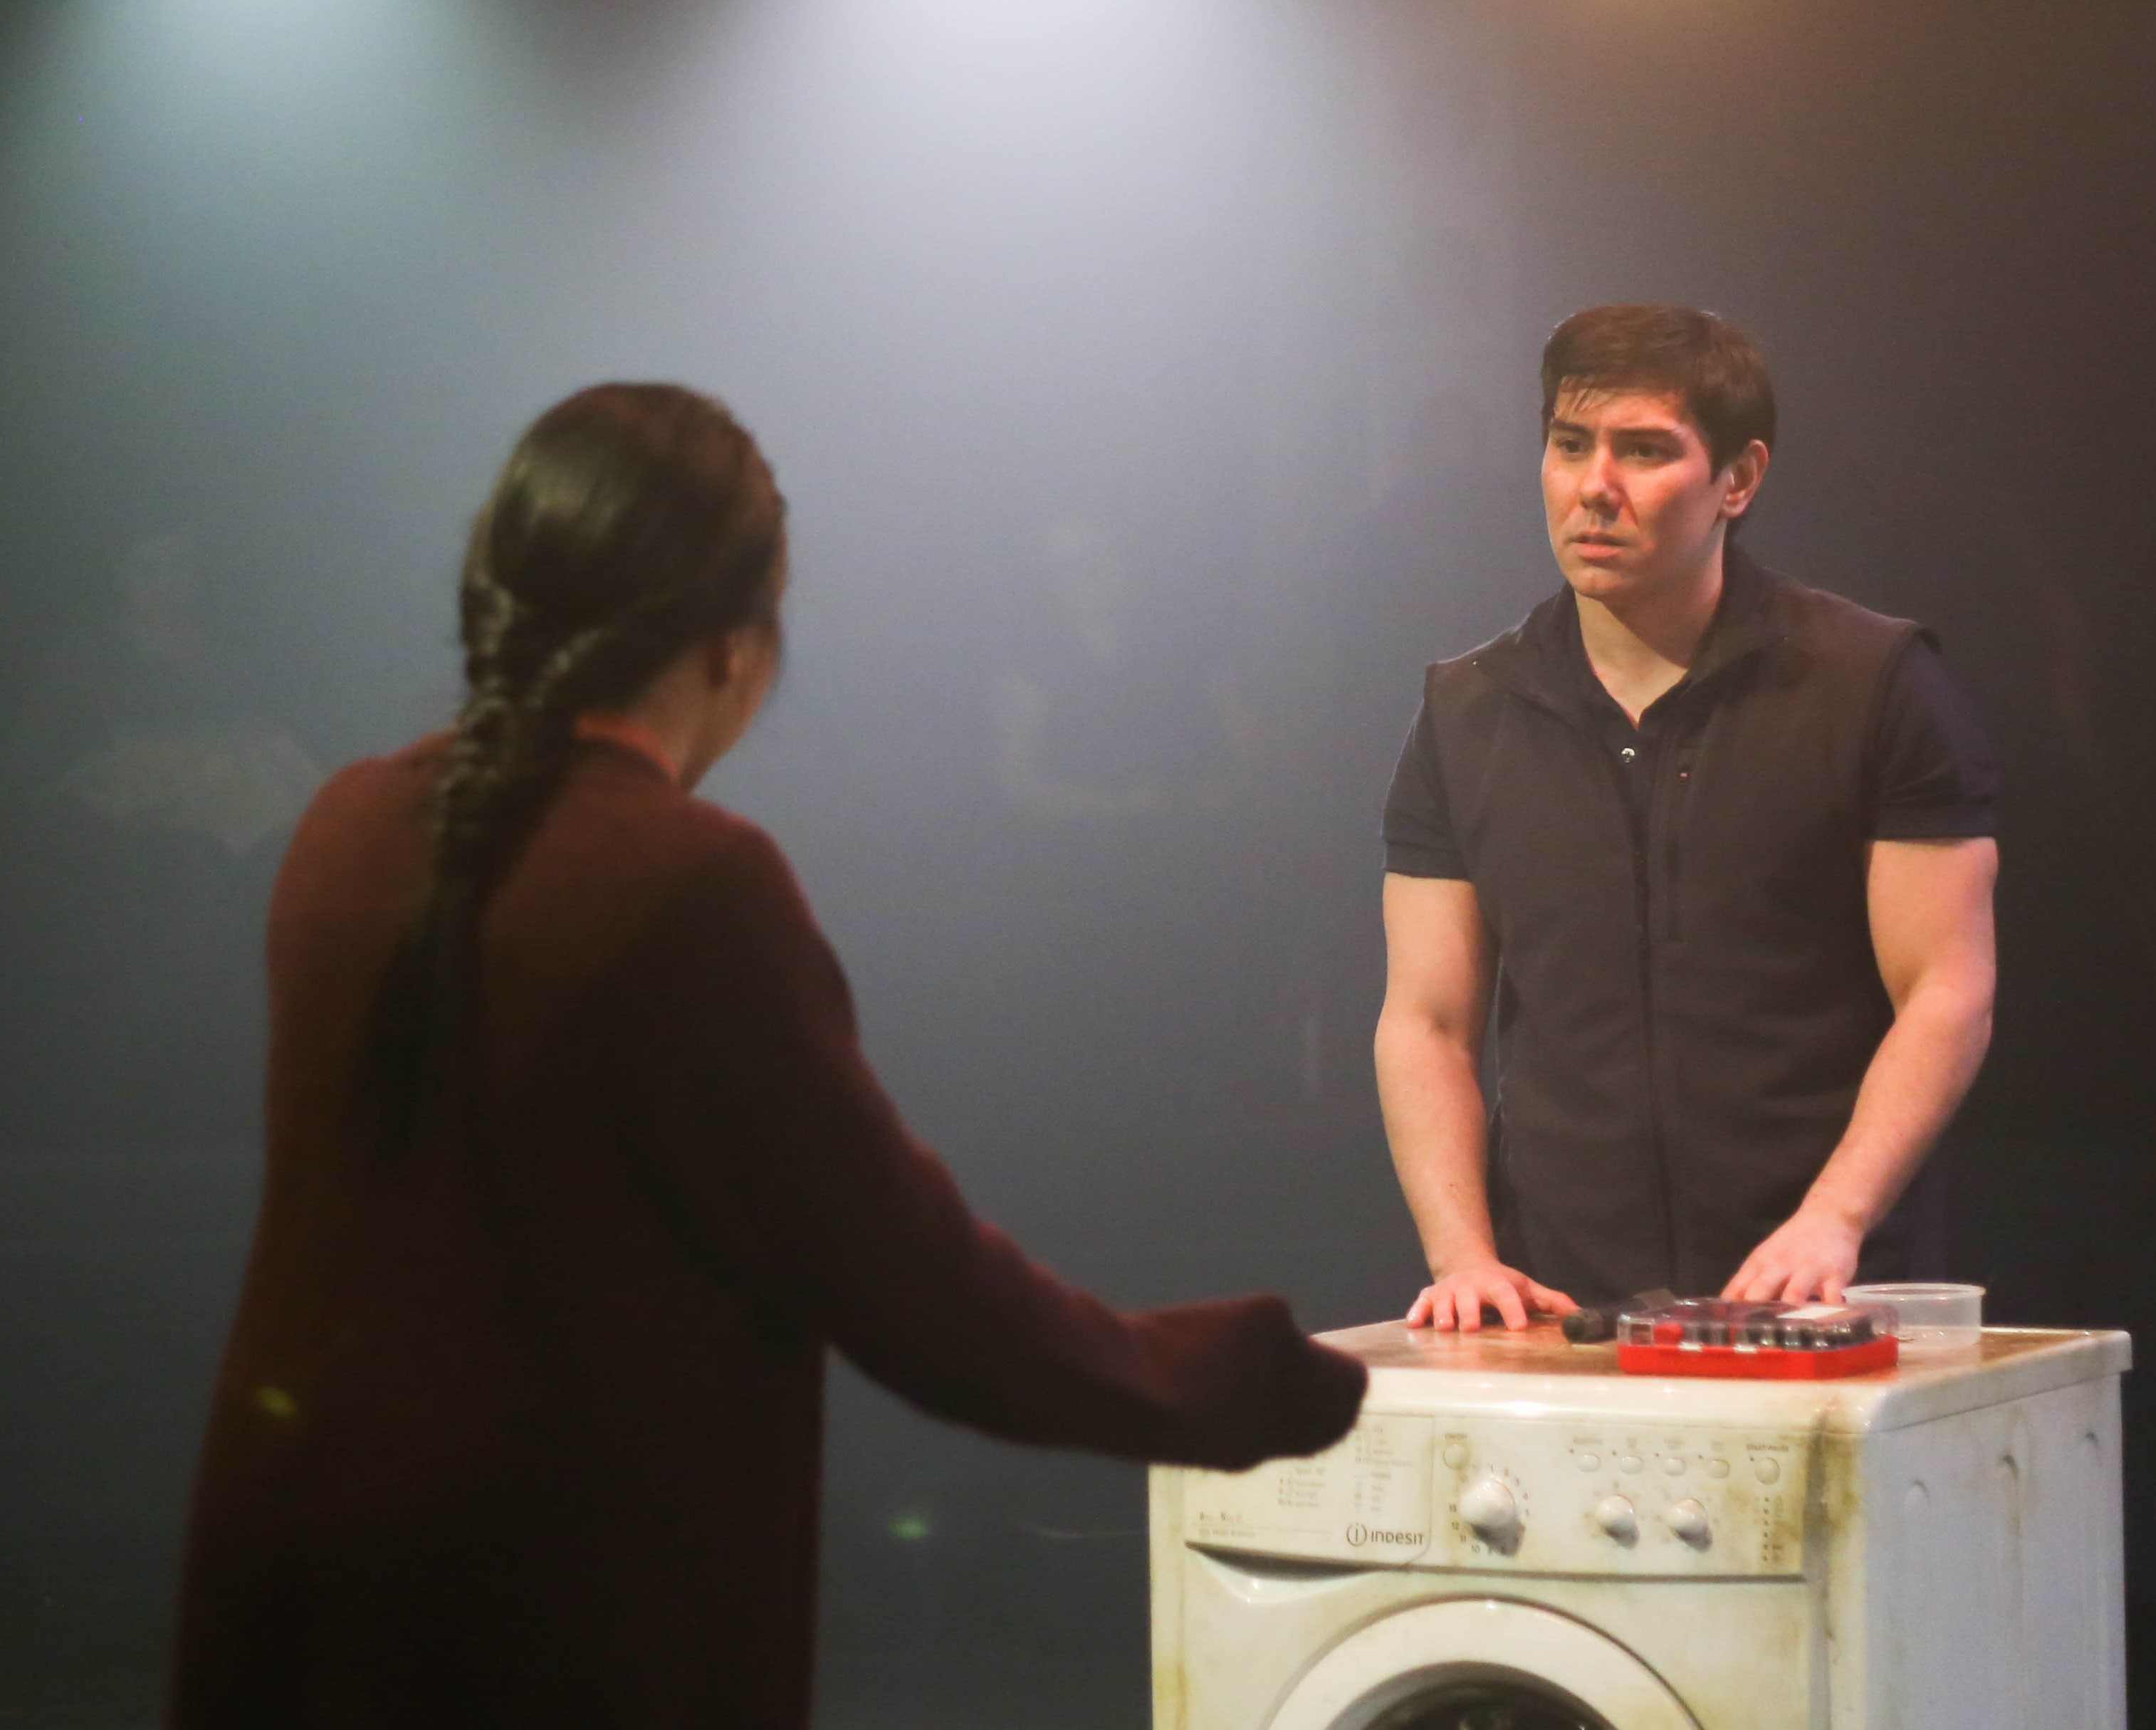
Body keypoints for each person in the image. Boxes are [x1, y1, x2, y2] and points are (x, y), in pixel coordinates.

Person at [169, 384, 1365, 1726]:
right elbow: (917, 1291)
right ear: (738, 646)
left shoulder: (344, 829)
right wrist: (1228, 1376)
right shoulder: (687, 884)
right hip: (553, 1612)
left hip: (294, 1580)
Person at [1375, 305, 1999, 1328]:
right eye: (1570, 445)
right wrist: (1464, 1258)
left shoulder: (1869, 682)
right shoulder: (1467, 712)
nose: (1594, 487)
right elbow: (1428, 1023)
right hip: (1561, 1304)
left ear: (1738, 480)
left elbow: (1947, 990)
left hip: (1822, 1293)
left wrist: (1832, 1220)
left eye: (1645, 450)